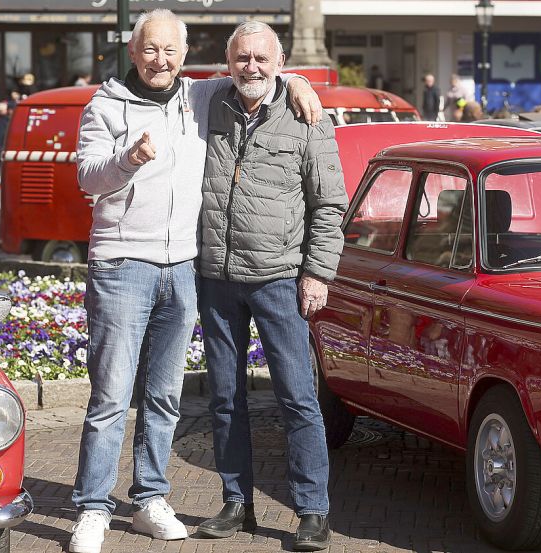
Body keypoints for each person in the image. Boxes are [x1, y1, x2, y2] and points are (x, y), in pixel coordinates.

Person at [69, 10, 321, 553]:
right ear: (133, 53)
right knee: (111, 396)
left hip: (184, 267)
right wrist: (127, 159)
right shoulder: (105, 104)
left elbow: (259, 73)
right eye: (150, 50)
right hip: (122, 265)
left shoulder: (199, 97)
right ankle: (92, 507)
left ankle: (150, 499)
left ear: (185, 56)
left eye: (170, 51)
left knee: (164, 396)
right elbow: (87, 176)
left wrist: (297, 80)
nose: (160, 60)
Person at [194, 21, 347, 552]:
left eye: (261, 58)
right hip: (217, 279)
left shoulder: (306, 117)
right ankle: (236, 502)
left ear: (280, 63)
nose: (251, 68)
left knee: (298, 397)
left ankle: (312, 510)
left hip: (281, 279)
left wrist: (318, 273)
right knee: (225, 397)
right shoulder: (209, 106)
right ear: (227, 63)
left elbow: (330, 205)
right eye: (242, 59)